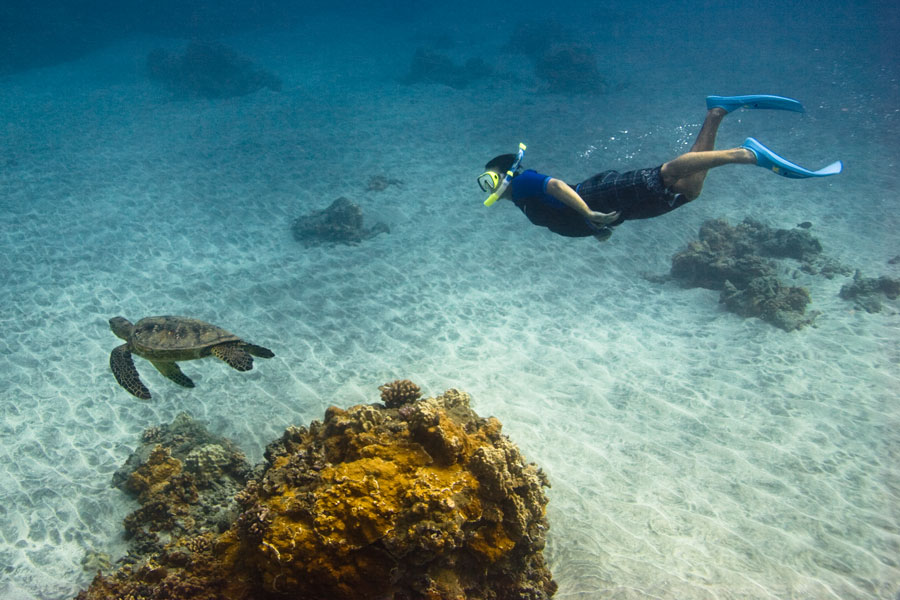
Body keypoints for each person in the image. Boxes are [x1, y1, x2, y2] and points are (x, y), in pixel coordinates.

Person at [477, 94, 842, 241]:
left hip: (596, 196)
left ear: (505, 173)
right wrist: (594, 225)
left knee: (664, 176)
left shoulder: (522, 183)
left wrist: (588, 210)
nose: (488, 187)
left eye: (488, 179)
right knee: (688, 192)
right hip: (608, 210)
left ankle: (745, 155)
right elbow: (559, 213)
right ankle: (716, 112)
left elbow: (556, 187)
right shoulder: (522, 200)